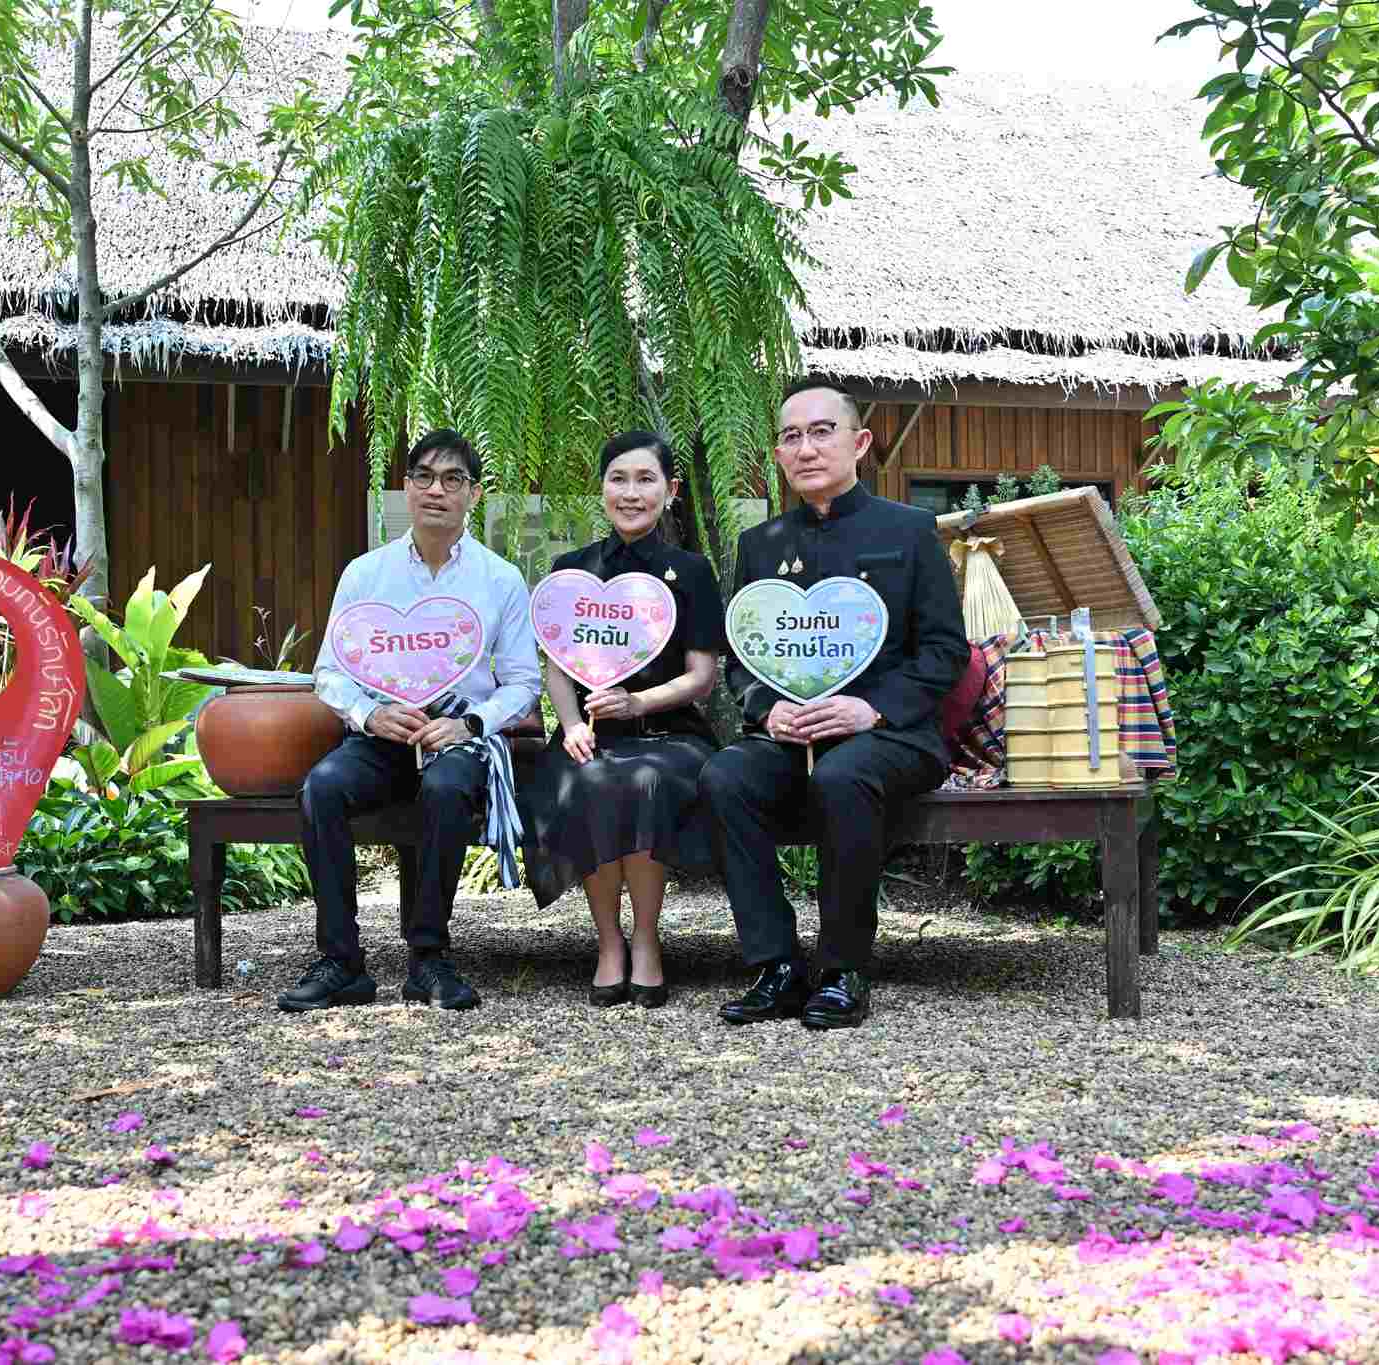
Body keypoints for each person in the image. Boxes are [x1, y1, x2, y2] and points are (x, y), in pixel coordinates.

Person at [700, 379, 968, 1030]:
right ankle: (777, 965)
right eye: (792, 436)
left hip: (892, 735)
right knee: (725, 774)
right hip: (794, 735)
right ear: (778, 455)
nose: (807, 448)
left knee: (845, 776)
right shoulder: (760, 545)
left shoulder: (909, 530)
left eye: (823, 431)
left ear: (860, 442)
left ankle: (844, 968)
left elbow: (945, 651)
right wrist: (767, 710)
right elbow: (743, 657)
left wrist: (870, 710)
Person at [282, 430, 543, 1014]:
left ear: (473, 494)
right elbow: (329, 673)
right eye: (424, 476)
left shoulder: (500, 579)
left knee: (448, 788)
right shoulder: (365, 574)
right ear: (405, 487)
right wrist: (371, 714)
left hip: (456, 738)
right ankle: (341, 963)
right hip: (384, 735)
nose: (436, 490)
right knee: (322, 787)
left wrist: (470, 725)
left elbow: (523, 683)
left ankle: (429, 958)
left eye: (452, 480)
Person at [520, 431, 723, 1008]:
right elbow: (558, 667)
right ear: (603, 487)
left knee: (646, 782)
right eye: (618, 479)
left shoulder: (691, 571)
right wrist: (571, 724)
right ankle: (609, 942)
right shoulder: (572, 571)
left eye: (646, 480)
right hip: (589, 736)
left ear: (670, 490)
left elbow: (702, 677)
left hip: (670, 735)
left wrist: (638, 703)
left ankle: (647, 939)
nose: (631, 493)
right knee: (592, 781)